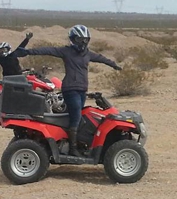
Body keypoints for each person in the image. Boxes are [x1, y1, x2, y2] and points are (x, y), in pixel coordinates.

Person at [16, 25, 122, 157]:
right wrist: (28, 52)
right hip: (70, 89)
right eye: (80, 39)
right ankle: (73, 148)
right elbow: (48, 50)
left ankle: (64, 143)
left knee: (73, 116)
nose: (83, 42)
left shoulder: (87, 54)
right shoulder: (66, 51)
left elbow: (101, 58)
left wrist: (114, 65)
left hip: (82, 90)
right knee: (76, 115)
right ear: (73, 39)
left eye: (85, 40)